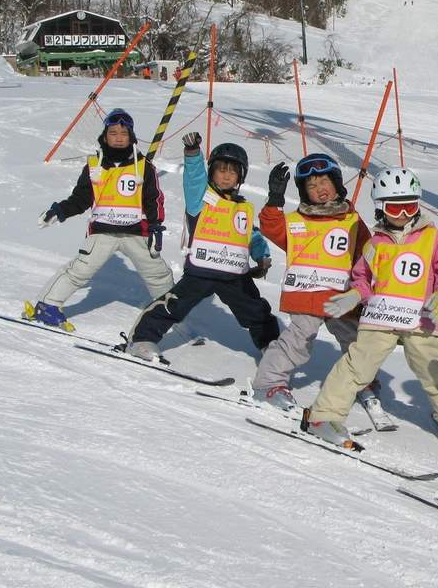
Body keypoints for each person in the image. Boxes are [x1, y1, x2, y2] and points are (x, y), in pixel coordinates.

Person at [300, 168, 438, 450]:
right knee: (358, 365)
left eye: (409, 207)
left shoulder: (431, 238)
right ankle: (324, 416)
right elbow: (363, 278)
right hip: (381, 317)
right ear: (381, 208)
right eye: (394, 207)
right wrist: (354, 296)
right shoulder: (375, 243)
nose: (402, 214)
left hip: (420, 318)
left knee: (433, 369)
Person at [252, 153, 384, 419]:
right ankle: (268, 383)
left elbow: (367, 256)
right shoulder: (297, 220)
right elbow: (271, 226)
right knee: (297, 341)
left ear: (336, 183)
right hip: (306, 294)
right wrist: (275, 198)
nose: (319, 189)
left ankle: (361, 380)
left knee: (356, 340)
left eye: (324, 182)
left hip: (343, 296)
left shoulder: (352, 220)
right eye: (311, 186)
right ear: (303, 192)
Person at [125, 134, 279, 361]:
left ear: (240, 176)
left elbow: (252, 235)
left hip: (235, 275)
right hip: (202, 271)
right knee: (174, 306)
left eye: (232, 171)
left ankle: (272, 349)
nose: (226, 176)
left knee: (256, 310)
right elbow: (194, 178)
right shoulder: (200, 199)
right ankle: (142, 340)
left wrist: (262, 256)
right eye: (221, 170)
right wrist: (193, 153)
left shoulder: (243, 208)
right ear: (212, 172)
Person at [25, 108, 174, 330]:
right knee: (80, 270)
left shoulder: (143, 167)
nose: (118, 138)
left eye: (123, 133)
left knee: (157, 273)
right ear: (105, 136)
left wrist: (155, 227)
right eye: (113, 133)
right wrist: (60, 210)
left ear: (131, 137)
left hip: (136, 232)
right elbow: (82, 197)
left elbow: (153, 200)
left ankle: (169, 313)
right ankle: (48, 306)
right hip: (102, 231)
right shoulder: (94, 165)